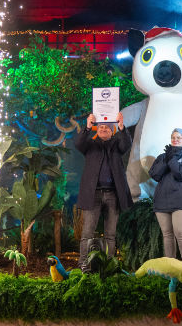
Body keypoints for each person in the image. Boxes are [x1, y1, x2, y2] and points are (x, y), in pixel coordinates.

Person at [75, 112, 132, 272]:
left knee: (110, 234)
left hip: (113, 194)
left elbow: (126, 144)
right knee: (87, 232)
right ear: (97, 129)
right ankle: (83, 263)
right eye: (100, 127)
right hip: (93, 194)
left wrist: (122, 127)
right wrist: (87, 127)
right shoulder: (90, 145)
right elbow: (78, 143)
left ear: (112, 131)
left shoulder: (117, 145)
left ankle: (109, 265)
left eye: (107, 127)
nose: (103, 129)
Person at [148, 128, 182, 265]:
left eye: (179, 137)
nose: (175, 140)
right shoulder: (163, 156)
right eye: (173, 137)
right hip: (162, 201)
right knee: (167, 235)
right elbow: (155, 175)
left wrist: (172, 159)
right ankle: (171, 266)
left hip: (181, 201)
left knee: (181, 233)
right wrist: (167, 159)